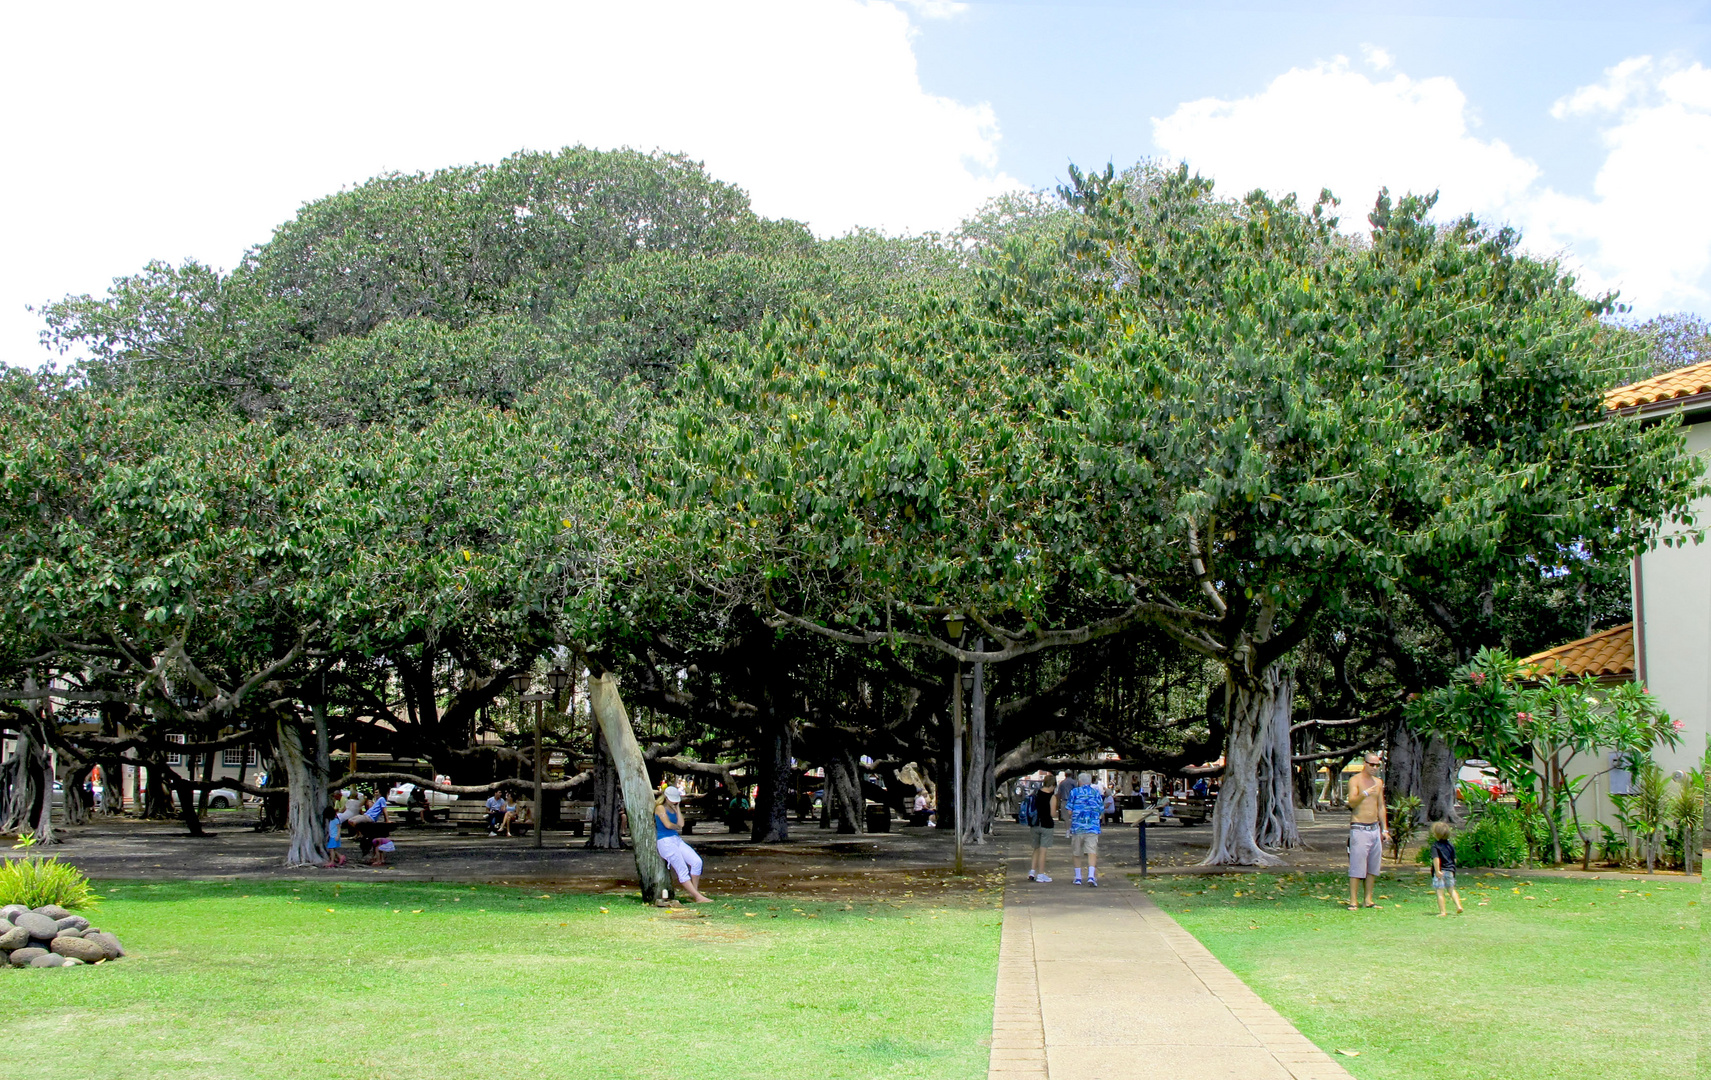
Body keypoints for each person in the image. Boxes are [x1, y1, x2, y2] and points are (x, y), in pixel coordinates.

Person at [1346, 751, 1390, 909]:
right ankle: (1353, 901)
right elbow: (1351, 803)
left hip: (1374, 828)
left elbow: (1381, 806)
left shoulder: (1378, 782)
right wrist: (1364, 794)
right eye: (1372, 764)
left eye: (1377, 765)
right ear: (1364, 763)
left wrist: (1384, 829)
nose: (1374, 768)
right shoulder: (1355, 780)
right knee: (1357, 866)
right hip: (1359, 827)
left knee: (1373, 866)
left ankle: (1368, 899)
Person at [655, 786, 711, 902]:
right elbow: (668, 825)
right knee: (682, 869)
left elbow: (681, 823)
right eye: (672, 799)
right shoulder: (660, 808)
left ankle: (694, 893)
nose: (674, 802)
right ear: (666, 798)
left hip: (675, 839)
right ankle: (698, 896)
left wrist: (677, 809)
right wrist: (676, 826)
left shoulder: (674, 808)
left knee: (697, 862)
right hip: (665, 841)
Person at [1062, 771, 1104, 886]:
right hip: (1092, 827)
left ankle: (1078, 876)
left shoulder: (1074, 792)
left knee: (1077, 852)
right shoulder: (1096, 792)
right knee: (1091, 851)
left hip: (1078, 827)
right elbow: (1101, 809)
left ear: (1079, 781)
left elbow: (1069, 810)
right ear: (1090, 781)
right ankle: (1091, 876)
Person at [1025, 776, 1057, 883]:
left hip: (1035, 824)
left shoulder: (1035, 794)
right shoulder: (1052, 797)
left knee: (1036, 849)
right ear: (1052, 785)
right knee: (1043, 851)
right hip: (1046, 824)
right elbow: (1052, 813)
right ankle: (1041, 874)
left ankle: (1032, 871)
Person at [1429, 821, 1463, 916]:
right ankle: (1458, 906)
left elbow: (1436, 859)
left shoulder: (1435, 846)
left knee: (1440, 892)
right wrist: (1452, 868)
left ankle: (1443, 912)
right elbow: (1454, 859)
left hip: (1441, 871)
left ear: (1435, 834)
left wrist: (1437, 870)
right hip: (1450, 870)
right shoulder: (1450, 845)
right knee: (1451, 889)